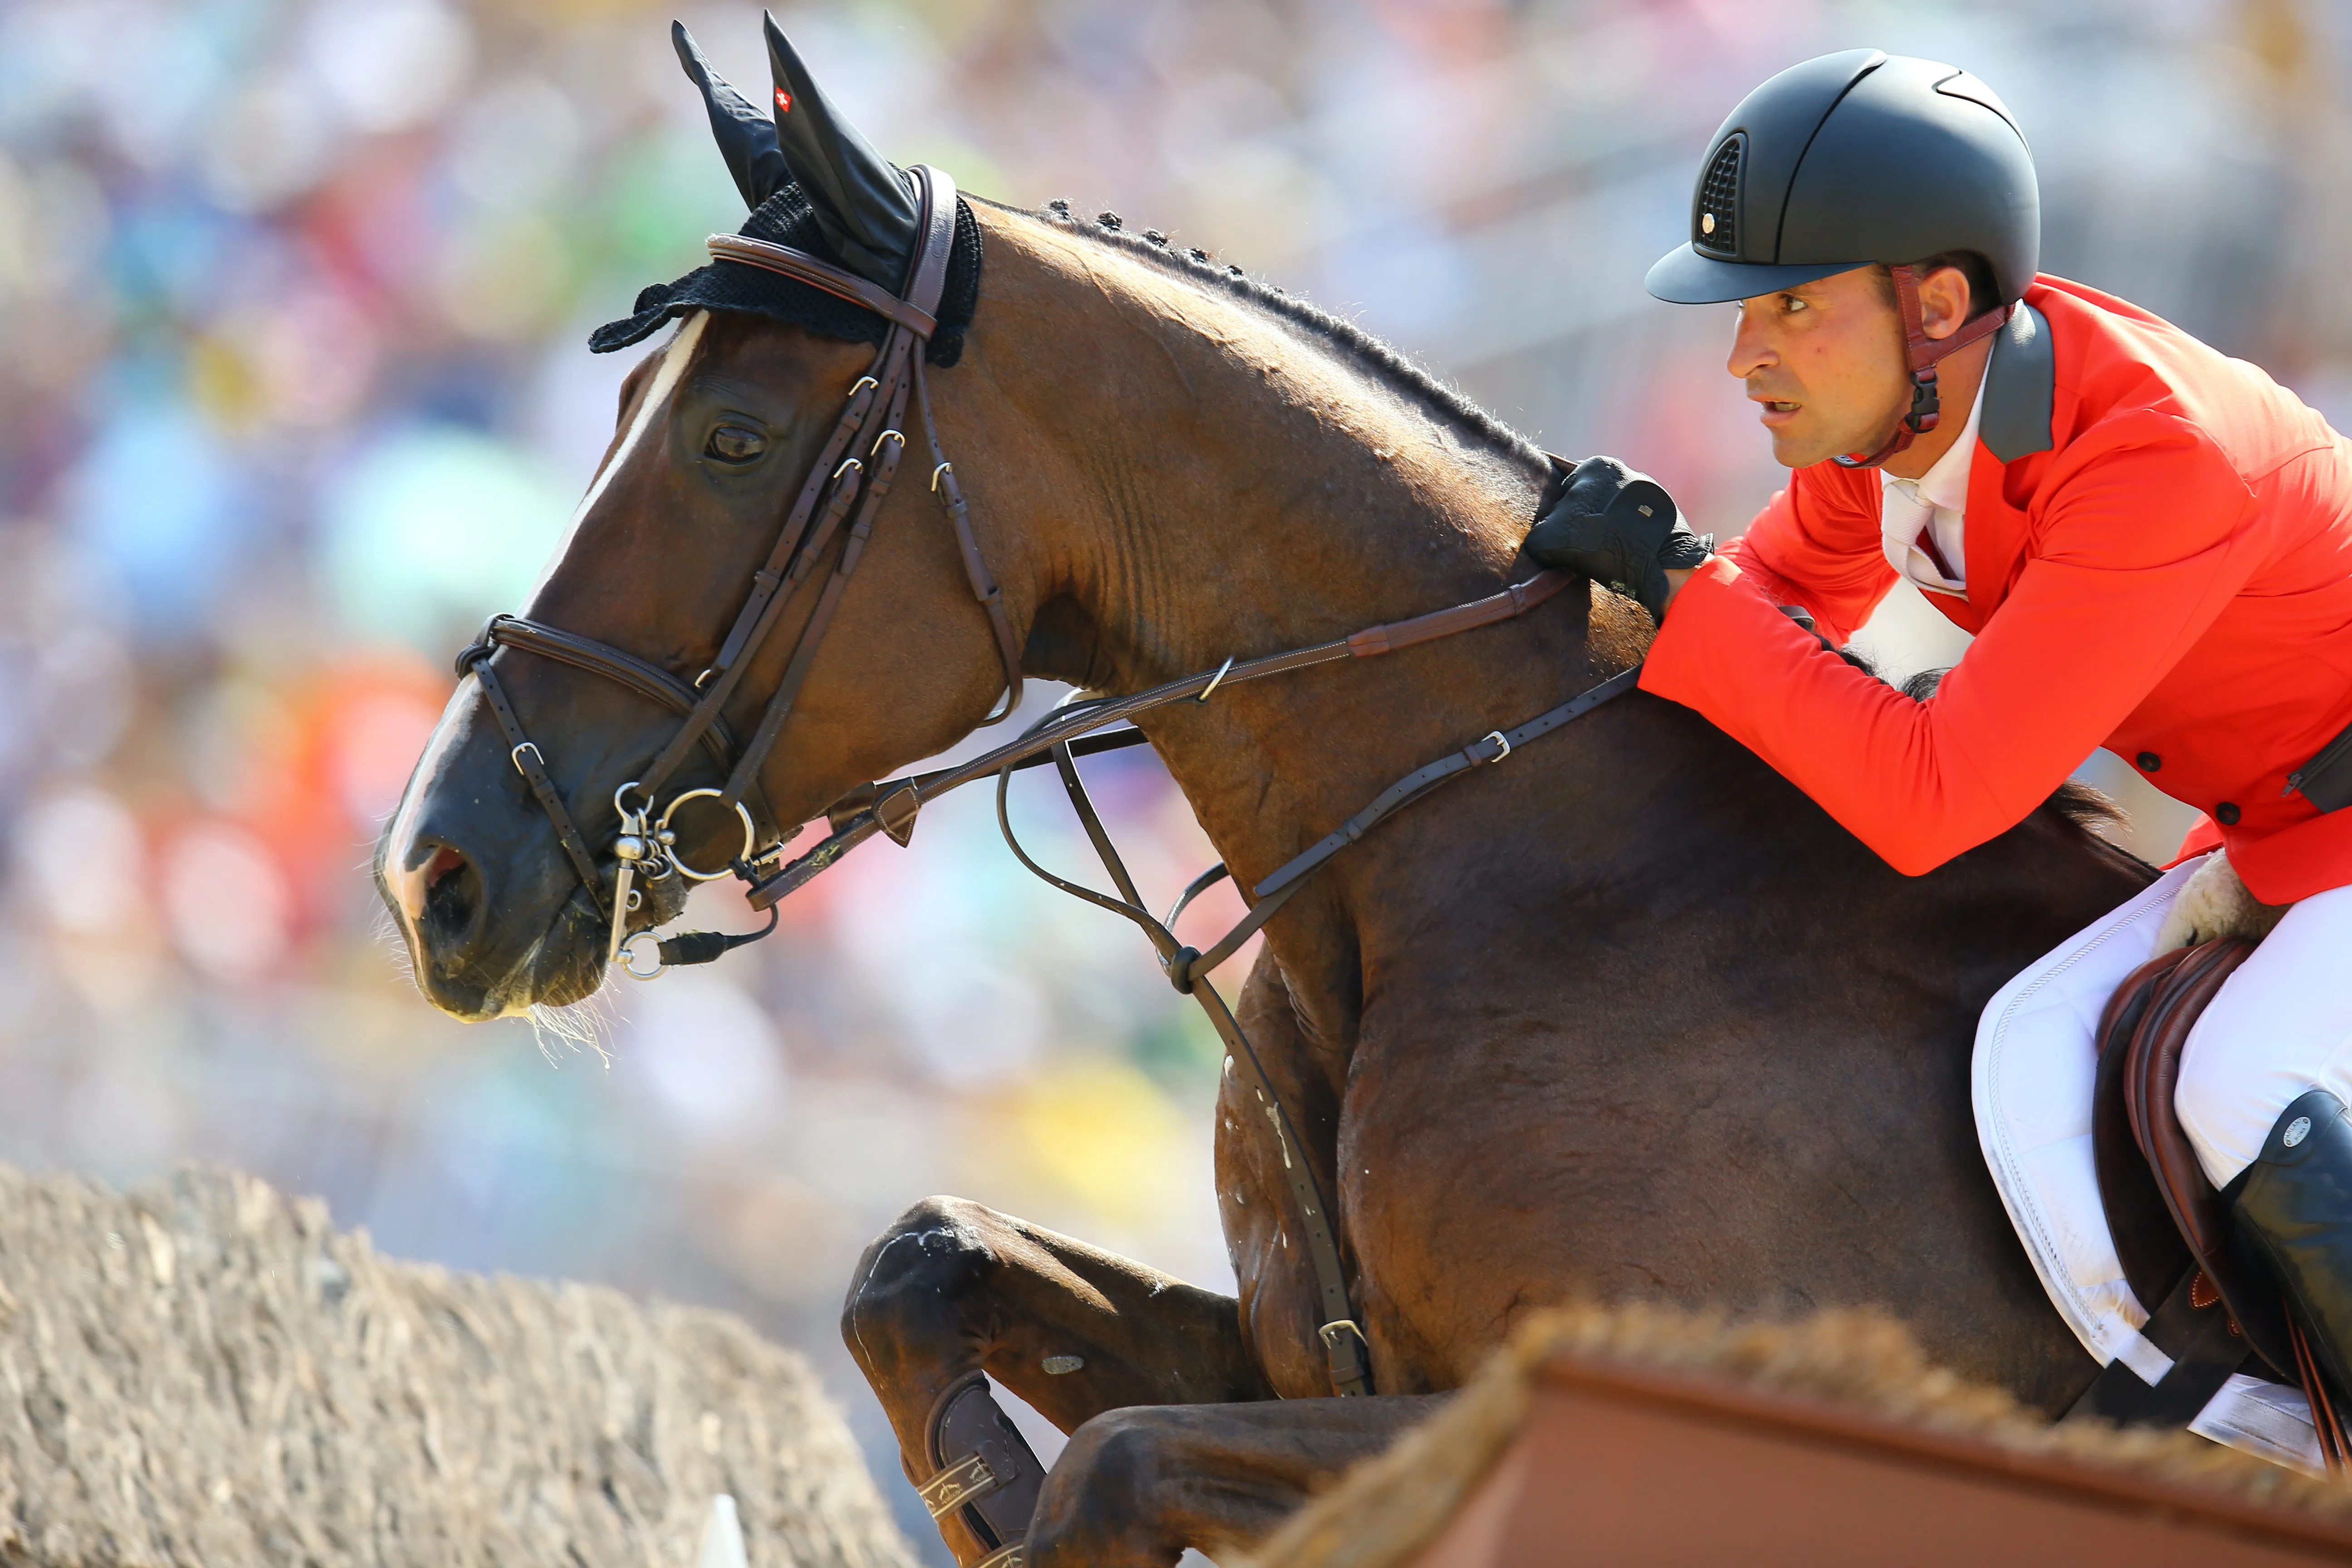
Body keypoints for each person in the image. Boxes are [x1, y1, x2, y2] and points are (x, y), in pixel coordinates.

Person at [1526, 49, 2352, 1402]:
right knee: (2027, 1034)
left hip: (2333, 845)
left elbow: (1925, 795)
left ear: (1940, 305)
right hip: (2278, 838)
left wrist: (1679, 583)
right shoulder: (1904, 434)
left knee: (2242, 1084)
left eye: (1790, 307)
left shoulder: (2155, 457)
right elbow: (1772, 607)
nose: (1744, 354)